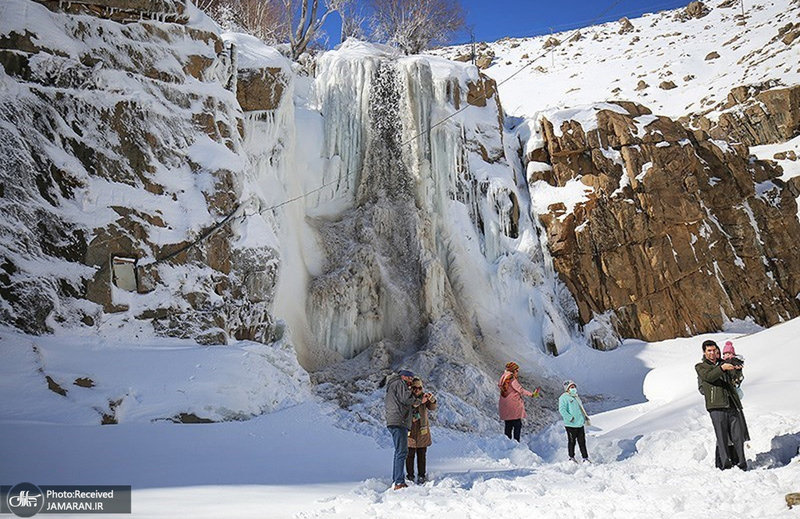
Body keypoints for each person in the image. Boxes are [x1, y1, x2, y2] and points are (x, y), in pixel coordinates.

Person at [695, 339, 749, 471]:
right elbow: (709, 376)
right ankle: (725, 466)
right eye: (709, 351)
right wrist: (722, 368)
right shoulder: (701, 367)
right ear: (704, 352)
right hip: (716, 406)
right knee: (722, 437)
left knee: (737, 436)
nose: (712, 353)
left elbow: (735, 381)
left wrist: (737, 369)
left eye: (714, 350)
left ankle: (742, 464)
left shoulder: (725, 363)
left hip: (732, 404)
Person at [384, 369, 424, 490]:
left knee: (399, 452)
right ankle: (399, 482)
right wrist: (420, 401)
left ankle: (396, 479)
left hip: (394, 420)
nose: (411, 381)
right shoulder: (399, 383)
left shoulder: (393, 385)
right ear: (404, 377)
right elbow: (406, 399)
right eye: (410, 378)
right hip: (399, 421)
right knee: (402, 452)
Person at [498, 362, 540, 441]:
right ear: (513, 371)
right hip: (513, 406)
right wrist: (532, 394)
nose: (517, 372)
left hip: (504, 405)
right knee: (517, 424)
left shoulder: (503, 378)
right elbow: (520, 390)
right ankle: (516, 442)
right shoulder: (512, 379)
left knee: (508, 425)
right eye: (517, 371)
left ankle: (507, 442)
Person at [406, 377, 437, 484]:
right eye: (415, 387)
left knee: (421, 455)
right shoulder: (407, 397)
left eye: (419, 388)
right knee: (409, 455)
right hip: (410, 430)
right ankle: (410, 475)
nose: (417, 390)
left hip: (422, 431)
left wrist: (432, 399)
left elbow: (432, 407)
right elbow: (411, 405)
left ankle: (421, 475)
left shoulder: (423, 397)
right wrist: (421, 401)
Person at [558, 380, 591, 463]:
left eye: (574, 387)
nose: (574, 388)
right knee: (572, 441)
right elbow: (562, 410)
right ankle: (571, 457)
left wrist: (585, 418)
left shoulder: (576, 397)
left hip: (580, 424)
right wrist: (570, 418)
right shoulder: (564, 398)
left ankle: (585, 458)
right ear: (567, 388)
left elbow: (581, 409)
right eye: (572, 387)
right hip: (570, 424)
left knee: (582, 441)